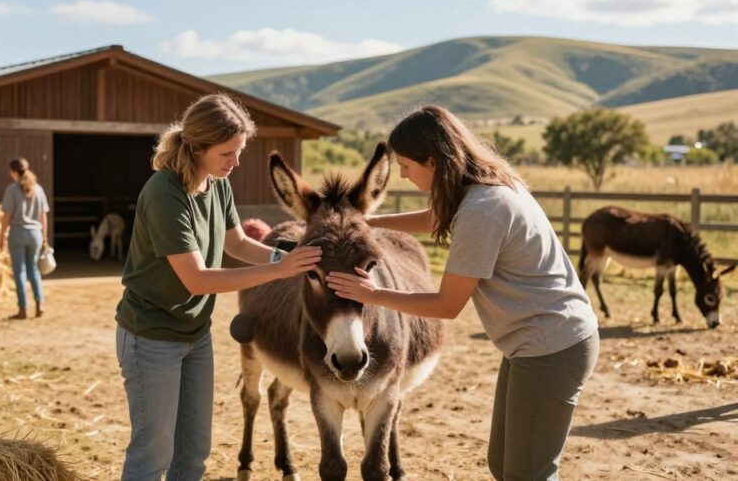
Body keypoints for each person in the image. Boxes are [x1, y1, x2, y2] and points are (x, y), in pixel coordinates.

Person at [325, 105, 599, 481]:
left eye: (406, 165)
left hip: (551, 346)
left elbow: (446, 305)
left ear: (434, 161)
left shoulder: (482, 211)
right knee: (504, 465)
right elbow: (434, 218)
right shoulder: (486, 188)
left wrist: (372, 294)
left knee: (527, 473)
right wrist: (364, 221)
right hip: (537, 343)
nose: (402, 175)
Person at [115, 93, 322, 481]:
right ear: (197, 147)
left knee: (194, 453)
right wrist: (280, 273)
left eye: (240, 151)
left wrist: (290, 258)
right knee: (152, 456)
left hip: (195, 334)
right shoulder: (164, 194)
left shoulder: (216, 182)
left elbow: (238, 244)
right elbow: (197, 278)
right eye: (228, 153)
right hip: (151, 338)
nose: (236, 162)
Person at [0, 157, 50, 320]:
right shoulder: (39, 189)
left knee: (20, 271)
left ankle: (22, 308)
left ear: (14, 172)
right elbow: (44, 216)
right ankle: (40, 303)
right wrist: (45, 238)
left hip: (18, 234)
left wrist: (2, 236)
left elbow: (7, 216)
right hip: (36, 234)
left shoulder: (12, 190)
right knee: (34, 269)